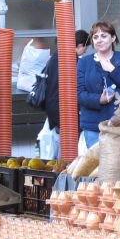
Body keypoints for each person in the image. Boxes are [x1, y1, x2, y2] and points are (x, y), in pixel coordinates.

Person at [77, 21, 120, 149]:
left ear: (113, 38)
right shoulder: (84, 62)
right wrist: (99, 99)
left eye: (104, 36)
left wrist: (113, 70)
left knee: (118, 165)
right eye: (96, 37)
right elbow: (78, 94)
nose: (99, 40)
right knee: (96, 164)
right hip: (93, 125)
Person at [38, 30, 89, 158]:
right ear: (80, 45)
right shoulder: (72, 62)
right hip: (64, 109)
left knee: (58, 148)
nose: (86, 51)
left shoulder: (55, 57)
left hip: (52, 107)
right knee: (69, 149)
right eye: (86, 48)